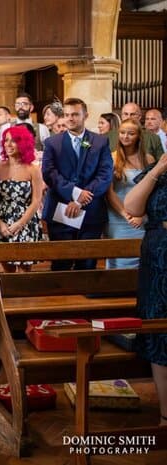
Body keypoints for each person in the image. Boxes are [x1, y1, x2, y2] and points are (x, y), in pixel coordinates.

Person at [41, 97, 113, 270]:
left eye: (75, 114)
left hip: (91, 210)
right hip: (60, 209)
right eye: (67, 115)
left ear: (85, 115)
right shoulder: (52, 143)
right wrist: (74, 193)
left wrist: (82, 199)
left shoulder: (100, 142)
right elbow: (49, 173)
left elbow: (105, 174)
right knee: (61, 262)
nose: (70, 118)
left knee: (87, 262)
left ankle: (86, 295)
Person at [124, 149, 167, 427]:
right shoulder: (158, 174)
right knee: (159, 332)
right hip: (158, 259)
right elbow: (132, 206)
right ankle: (166, 414)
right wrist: (158, 169)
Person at [0, 126, 44, 272]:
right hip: (2, 221)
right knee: (6, 268)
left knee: (24, 270)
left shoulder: (33, 169)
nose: (8, 144)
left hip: (26, 221)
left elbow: (36, 200)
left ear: (23, 143)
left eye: (13, 141)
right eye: (6, 140)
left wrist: (20, 224)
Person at [105, 119, 153, 269]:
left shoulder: (148, 159)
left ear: (139, 136)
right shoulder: (112, 158)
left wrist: (142, 216)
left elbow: (152, 191)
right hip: (118, 216)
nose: (125, 136)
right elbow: (109, 192)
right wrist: (127, 215)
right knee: (118, 259)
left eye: (130, 133)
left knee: (141, 257)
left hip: (141, 218)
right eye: (122, 133)